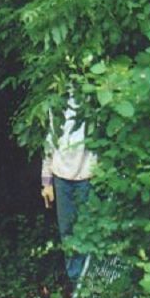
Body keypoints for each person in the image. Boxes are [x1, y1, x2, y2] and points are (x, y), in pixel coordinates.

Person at [41, 95, 96, 285]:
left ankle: (89, 284)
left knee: (88, 231)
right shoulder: (55, 104)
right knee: (67, 233)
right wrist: (46, 182)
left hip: (86, 176)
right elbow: (49, 143)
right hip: (61, 177)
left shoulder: (92, 101)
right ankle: (76, 285)